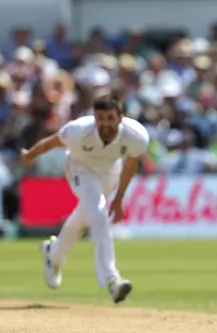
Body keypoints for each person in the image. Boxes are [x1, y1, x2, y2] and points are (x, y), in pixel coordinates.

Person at [19, 95, 150, 304]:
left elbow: (131, 165)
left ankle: (53, 253)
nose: (105, 123)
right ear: (94, 117)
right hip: (80, 169)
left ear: (120, 118)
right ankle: (111, 278)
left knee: (85, 217)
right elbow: (52, 142)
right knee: (98, 213)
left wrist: (119, 198)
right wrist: (29, 155)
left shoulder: (136, 136)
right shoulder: (79, 130)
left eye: (110, 118)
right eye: (100, 118)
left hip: (109, 172)